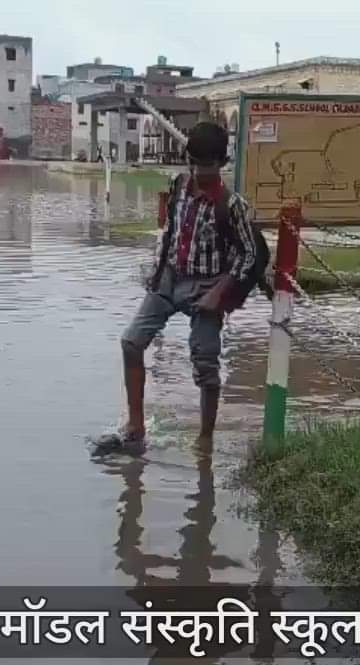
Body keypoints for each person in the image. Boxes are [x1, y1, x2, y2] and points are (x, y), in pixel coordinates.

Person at [100, 122, 258, 454]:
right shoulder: (178, 186)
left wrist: (221, 293)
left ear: (222, 162)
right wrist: (156, 271)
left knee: (205, 363)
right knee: (131, 342)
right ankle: (136, 427)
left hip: (208, 286)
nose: (202, 172)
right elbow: (170, 232)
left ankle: (205, 438)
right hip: (169, 278)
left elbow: (249, 254)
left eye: (209, 165)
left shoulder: (232, 205)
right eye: (196, 164)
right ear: (188, 160)